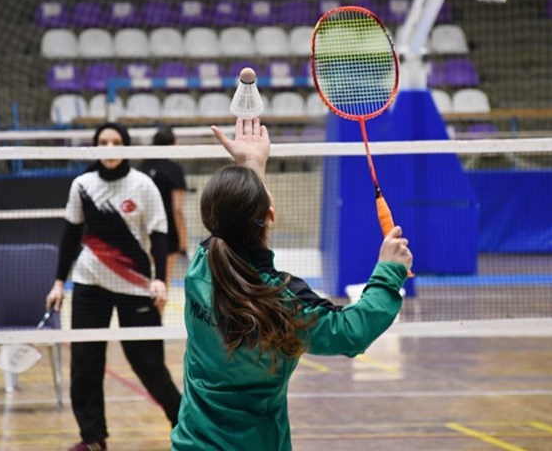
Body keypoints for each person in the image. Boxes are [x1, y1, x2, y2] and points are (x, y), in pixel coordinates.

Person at [170, 118, 413, 450]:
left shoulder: (199, 268)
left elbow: (236, 220)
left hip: (189, 443)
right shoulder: (283, 302)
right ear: (270, 215)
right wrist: (388, 270)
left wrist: (251, 164)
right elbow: (350, 331)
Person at [45, 122, 181, 451]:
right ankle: (93, 439)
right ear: (95, 147)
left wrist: (160, 279)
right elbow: (70, 235)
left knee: (149, 364)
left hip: (137, 285)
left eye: (115, 142)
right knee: (85, 363)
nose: (109, 147)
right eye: (102, 142)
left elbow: (160, 234)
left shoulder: (143, 185)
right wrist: (59, 281)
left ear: (125, 146)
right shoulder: (82, 185)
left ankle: (186, 425)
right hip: (90, 283)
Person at [138, 126, 188, 283]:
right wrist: (183, 239)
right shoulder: (174, 170)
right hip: (168, 234)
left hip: (141, 229)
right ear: (172, 144)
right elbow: (177, 209)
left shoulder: (142, 167)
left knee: (144, 282)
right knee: (162, 283)